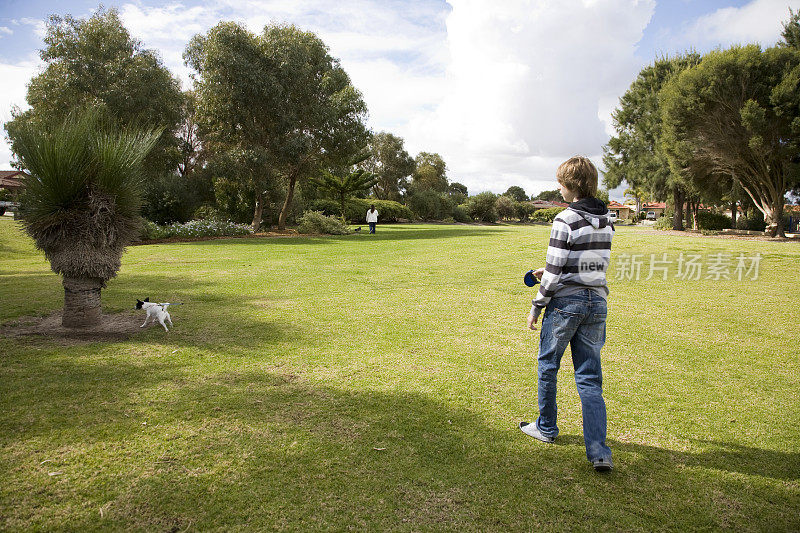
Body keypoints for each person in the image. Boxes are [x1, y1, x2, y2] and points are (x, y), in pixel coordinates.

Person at [519, 156, 615, 472]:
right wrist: (549, 268)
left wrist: (537, 305)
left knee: (548, 364)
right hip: (596, 302)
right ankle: (599, 452)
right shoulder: (608, 220)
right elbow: (590, 265)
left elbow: (555, 274)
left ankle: (546, 428)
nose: (558, 188)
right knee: (589, 377)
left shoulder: (565, 219)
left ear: (570, 185)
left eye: (560, 183)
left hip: (566, 304)